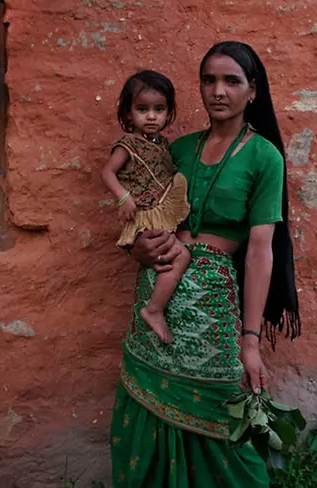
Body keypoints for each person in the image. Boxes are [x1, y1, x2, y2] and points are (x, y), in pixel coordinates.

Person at [109, 41, 300, 487]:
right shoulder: (177, 150)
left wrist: (250, 341)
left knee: (220, 422)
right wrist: (135, 248)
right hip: (156, 291)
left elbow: (258, 251)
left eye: (231, 81)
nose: (218, 90)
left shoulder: (264, 156)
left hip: (213, 307)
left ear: (252, 91)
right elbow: (144, 212)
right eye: (209, 80)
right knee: (144, 416)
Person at [100, 70, 191, 343]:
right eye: (142, 109)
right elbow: (107, 173)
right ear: (128, 115)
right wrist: (122, 197)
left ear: (168, 112)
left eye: (159, 109)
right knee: (181, 256)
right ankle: (154, 310)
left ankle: (157, 304)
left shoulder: (161, 144)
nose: (151, 116)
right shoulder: (127, 145)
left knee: (169, 256)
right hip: (145, 215)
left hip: (159, 211)